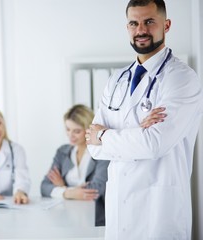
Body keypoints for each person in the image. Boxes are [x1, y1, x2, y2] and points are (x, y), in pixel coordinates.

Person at [85, 0, 203, 239]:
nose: (141, 30)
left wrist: (105, 135)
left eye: (149, 22)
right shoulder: (116, 80)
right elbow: (92, 147)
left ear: (166, 25)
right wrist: (136, 133)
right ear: (127, 27)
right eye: (134, 23)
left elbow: (154, 144)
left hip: (159, 213)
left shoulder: (181, 79)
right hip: (119, 213)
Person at [40, 104, 109, 226]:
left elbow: (98, 188)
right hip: (66, 217)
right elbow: (44, 186)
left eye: (77, 131)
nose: (70, 135)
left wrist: (62, 186)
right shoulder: (63, 152)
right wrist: (68, 192)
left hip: (96, 219)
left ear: (88, 130)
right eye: (67, 129)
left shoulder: (101, 152)